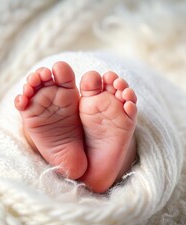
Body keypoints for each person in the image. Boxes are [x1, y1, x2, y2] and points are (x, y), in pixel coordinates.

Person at [14, 61, 137, 193]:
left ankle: (34, 139)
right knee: (134, 140)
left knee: (19, 131)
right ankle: (120, 161)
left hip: (55, 94)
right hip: (111, 92)